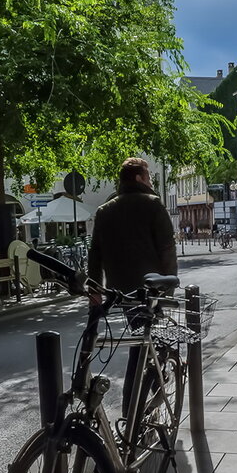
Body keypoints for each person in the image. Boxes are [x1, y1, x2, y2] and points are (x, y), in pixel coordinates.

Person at [88, 157, 178, 415]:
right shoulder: (152, 204)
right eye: (148, 177)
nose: (150, 182)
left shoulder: (105, 210)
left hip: (118, 291)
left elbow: (95, 254)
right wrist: (168, 288)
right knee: (142, 350)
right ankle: (132, 412)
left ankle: (145, 398)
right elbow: (167, 250)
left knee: (142, 345)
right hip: (150, 290)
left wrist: (95, 291)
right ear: (139, 178)